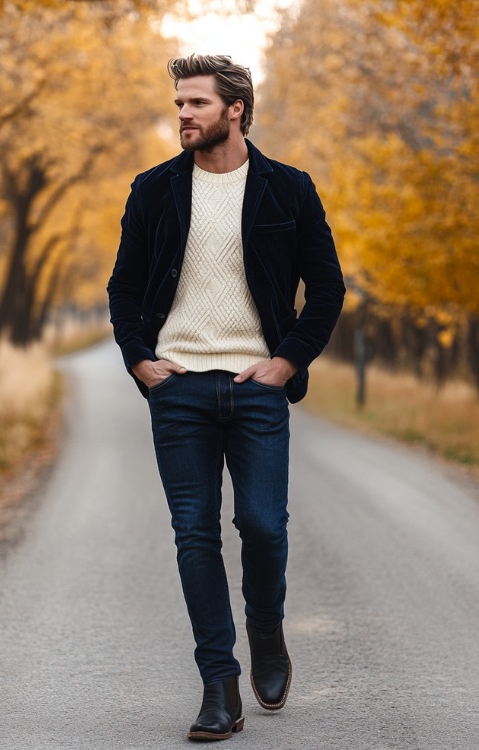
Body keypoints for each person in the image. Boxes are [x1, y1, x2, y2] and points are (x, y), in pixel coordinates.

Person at [107, 53, 345, 742]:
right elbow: (123, 288)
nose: (183, 114)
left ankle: (266, 628)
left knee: (264, 527)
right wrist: (140, 362)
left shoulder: (289, 190)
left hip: (257, 388)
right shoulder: (152, 191)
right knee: (194, 533)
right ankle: (219, 684)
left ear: (235, 109)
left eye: (197, 104)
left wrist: (286, 361)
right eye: (179, 103)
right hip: (177, 389)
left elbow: (327, 289)